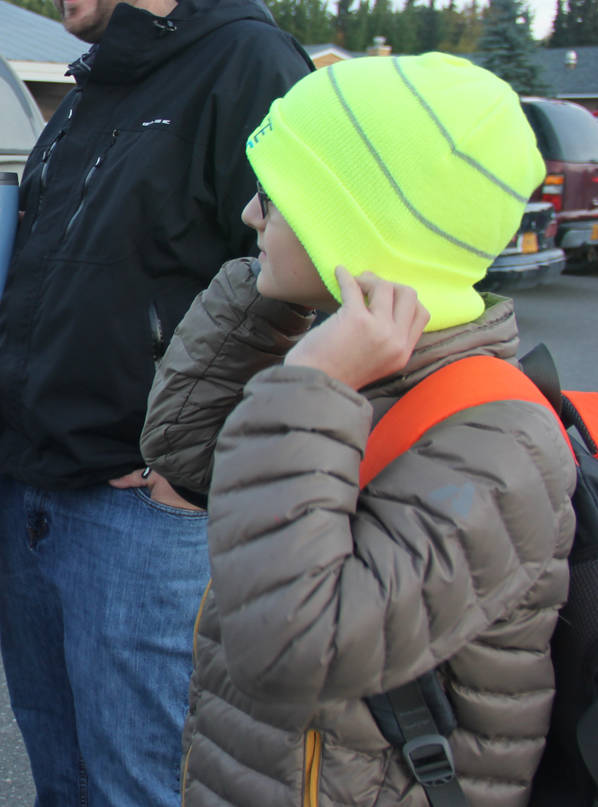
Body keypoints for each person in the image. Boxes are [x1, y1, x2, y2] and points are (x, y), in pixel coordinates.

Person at [0, 0, 313, 807]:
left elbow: (297, 283)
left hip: (139, 505)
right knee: (57, 761)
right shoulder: (94, 81)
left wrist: (195, 467)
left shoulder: (248, 64)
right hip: (35, 474)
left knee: (139, 779)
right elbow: (88, 271)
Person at [140, 53, 575, 805]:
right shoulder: (368, 364)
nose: (250, 214)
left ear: (356, 227)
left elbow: (294, 647)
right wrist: (272, 302)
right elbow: (182, 447)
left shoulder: (499, 445)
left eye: (276, 197)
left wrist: (310, 385)